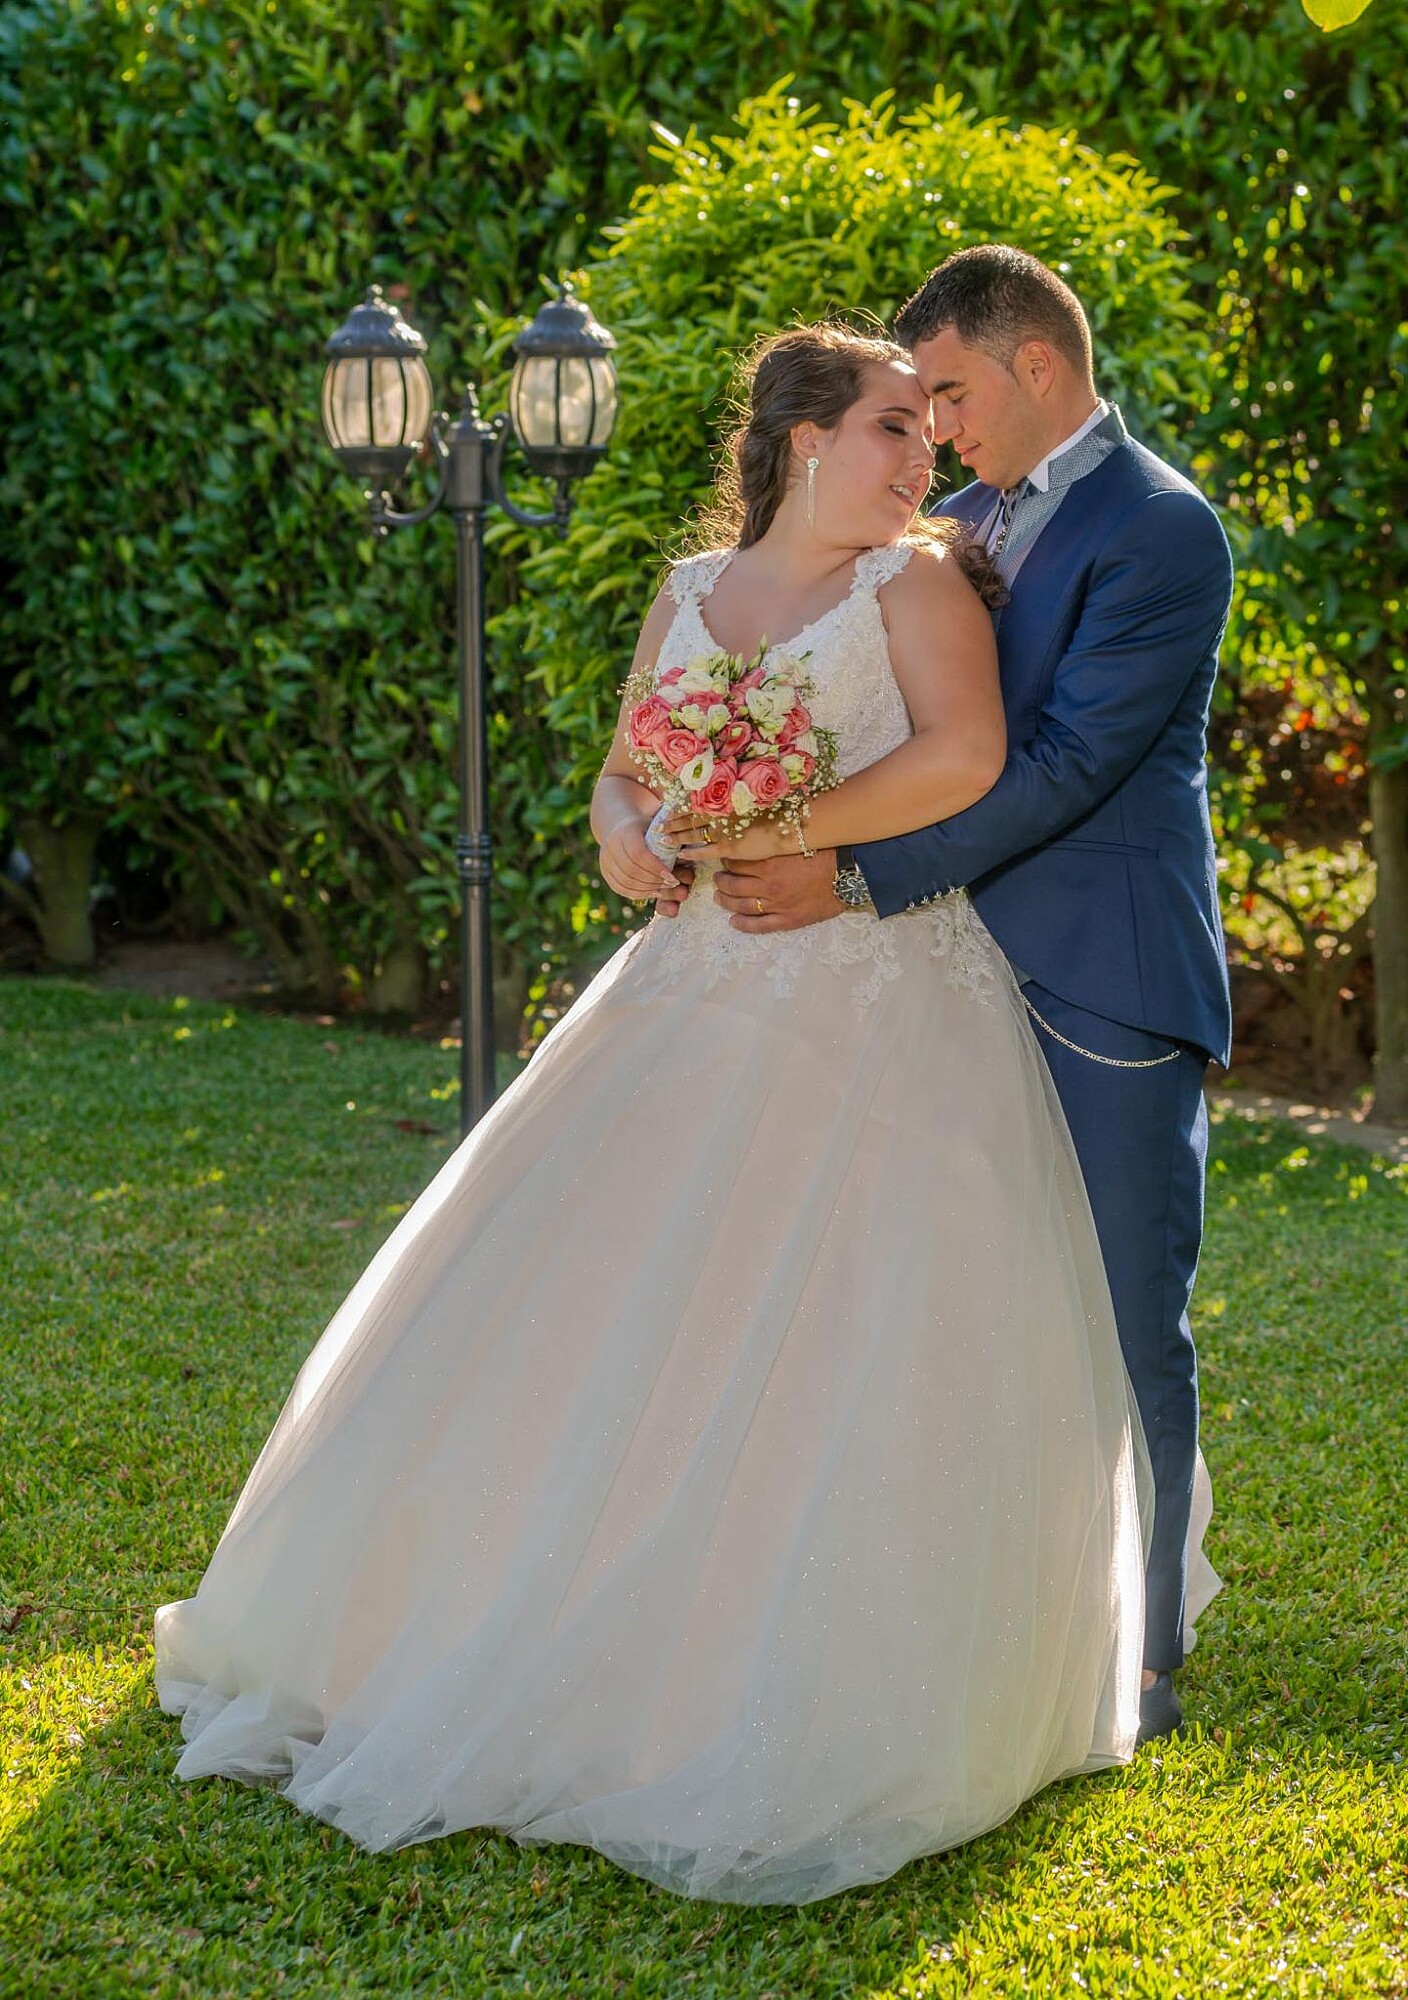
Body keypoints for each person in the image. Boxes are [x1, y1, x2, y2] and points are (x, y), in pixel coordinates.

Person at [156, 322, 1176, 1909]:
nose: (923, 463)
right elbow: (627, 768)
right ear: (796, 444)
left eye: (926, 430)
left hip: (874, 983)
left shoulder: (919, 583)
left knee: (839, 1315)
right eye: (892, 430)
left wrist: (790, 828)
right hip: (692, 978)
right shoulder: (689, 595)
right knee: (595, 1305)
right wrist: (634, 830)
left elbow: (969, 758)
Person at [678, 250, 1234, 1747]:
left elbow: (1057, 769)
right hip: (940, 994)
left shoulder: (1165, 531)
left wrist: (842, 875)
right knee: (963, 1321)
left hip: (1104, 981)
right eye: (914, 405)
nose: (938, 431)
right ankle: (980, 1618)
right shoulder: (956, 523)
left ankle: (1146, 1653)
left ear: (1037, 366)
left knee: (1126, 1322)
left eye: (955, 395)